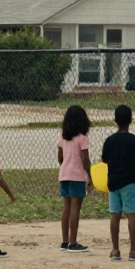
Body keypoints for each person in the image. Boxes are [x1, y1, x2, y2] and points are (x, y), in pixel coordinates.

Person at [102, 104, 135, 262]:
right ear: (131, 120)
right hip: (130, 181)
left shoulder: (109, 140)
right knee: (131, 214)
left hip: (113, 181)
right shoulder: (134, 140)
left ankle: (115, 249)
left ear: (115, 120)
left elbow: (105, 160)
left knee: (114, 214)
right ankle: (133, 250)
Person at [57, 105, 92, 253]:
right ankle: (73, 241)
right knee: (75, 208)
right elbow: (85, 159)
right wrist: (89, 175)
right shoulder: (82, 138)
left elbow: (60, 157)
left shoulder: (61, 136)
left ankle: (65, 240)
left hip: (64, 174)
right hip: (77, 176)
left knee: (66, 207)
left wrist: (65, 165)